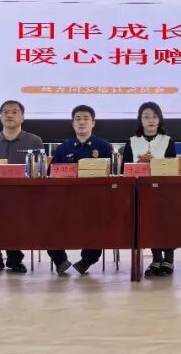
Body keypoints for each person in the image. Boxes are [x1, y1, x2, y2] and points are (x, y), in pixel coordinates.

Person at [0, 99, 45, 274]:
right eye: (6, 112)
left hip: (25, 197)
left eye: (15, 112)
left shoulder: (34, 141)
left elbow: (40, 172)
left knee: (15, 215)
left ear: (22, 117)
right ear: (0, 117)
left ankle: (15, 260)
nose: (9, 115)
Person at [47, 105, 114, 276]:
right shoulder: (63, 148)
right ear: (72, 123)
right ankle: (59, 260)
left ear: (93, 123)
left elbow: (114, 174)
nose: (82, 122)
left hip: (96, 200)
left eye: (86, 118)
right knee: (49, 219)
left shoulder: (104, 146)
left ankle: (87, 261)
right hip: (66, 200)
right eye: (78, 119)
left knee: (99, 221)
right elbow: (51, 174)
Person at [121, 101, 177, 278]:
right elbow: (124, 169)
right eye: (146, 117)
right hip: (141, 192)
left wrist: (154, 162)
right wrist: (139, 163)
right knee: (149, 224)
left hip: (164, 191)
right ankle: (156, 259)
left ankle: (169, 259)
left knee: (166, 223)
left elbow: (172, 167)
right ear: (140, 120)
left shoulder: (168, 141)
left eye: (154, 116)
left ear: (160, 119)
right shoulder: (132, 141)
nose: (151, 120)